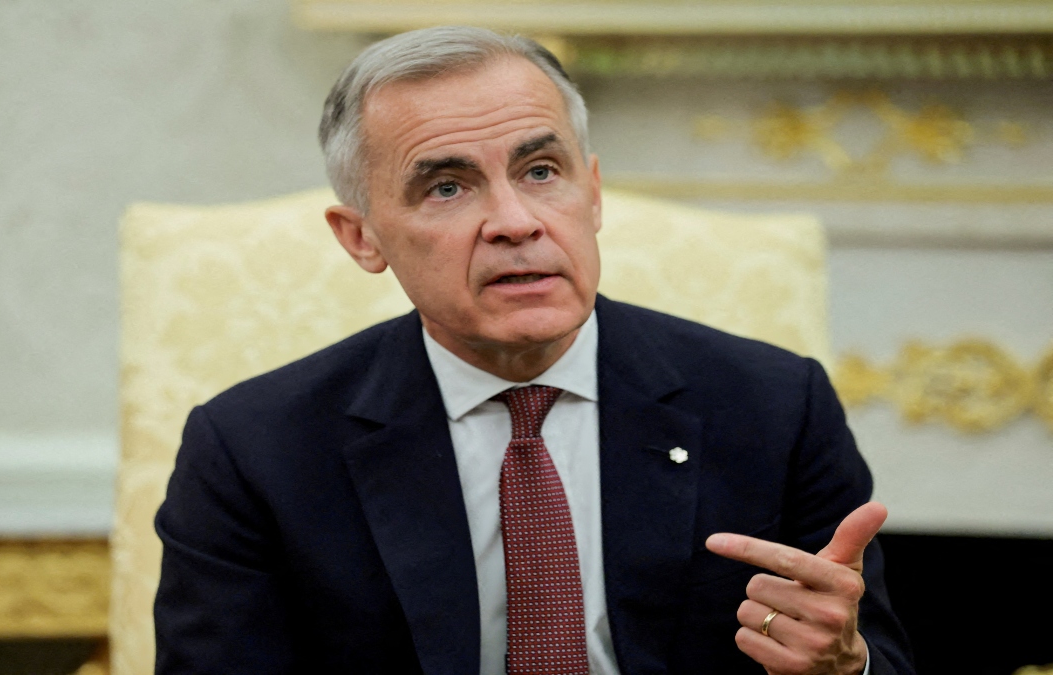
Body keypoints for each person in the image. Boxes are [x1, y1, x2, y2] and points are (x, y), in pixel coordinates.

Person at [153, 26, 914, 675]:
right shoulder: (254, 450)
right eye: (447, 187)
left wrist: (844, 667)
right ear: (362, 238)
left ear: (594, 192)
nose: (515, 222)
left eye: (541, 171)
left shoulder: (774, 405)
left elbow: (874, 656)